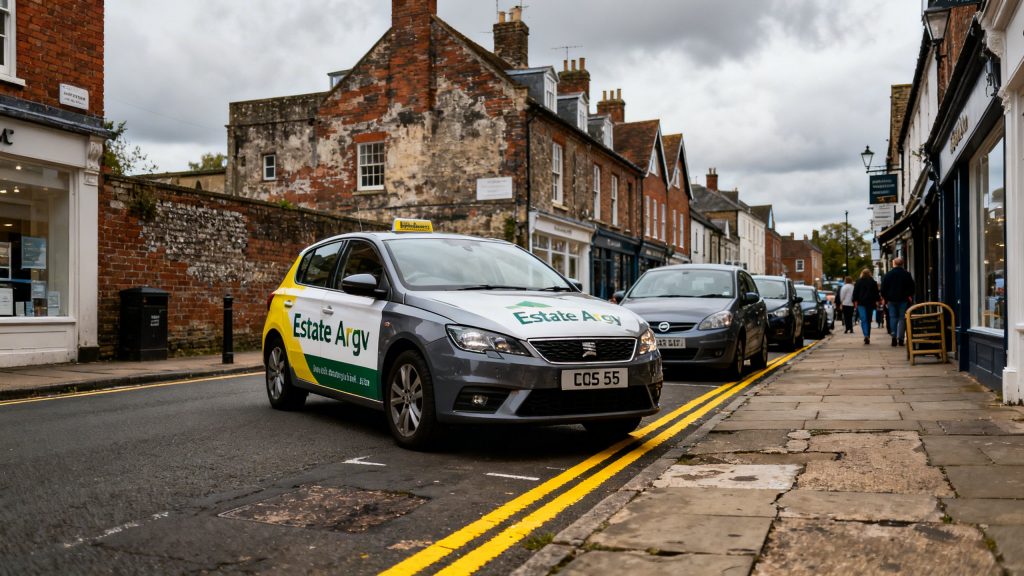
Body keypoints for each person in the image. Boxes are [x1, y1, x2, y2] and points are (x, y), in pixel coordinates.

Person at [881, 256, 916, 346]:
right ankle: (901, 338)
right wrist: (909, 295)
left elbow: (883, 288)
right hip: (903, 299)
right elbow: (912, 286)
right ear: (902, 264)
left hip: (891, 300)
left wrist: (885, 298)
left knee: (892, 317)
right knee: (902, 318)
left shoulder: (888, 275)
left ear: (894, 264)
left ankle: (893, 336)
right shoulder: (906, 274)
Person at [852, 268, 880, 344]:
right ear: (870, 274)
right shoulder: (873, 282)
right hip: (870, 303)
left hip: (861, 303)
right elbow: (876, 293)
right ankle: (868, 335)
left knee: (863, 319)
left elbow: (855, 293)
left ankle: (866, 335)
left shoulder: (858, 282)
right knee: (868, 320)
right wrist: (877, 301)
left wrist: (855, 301)